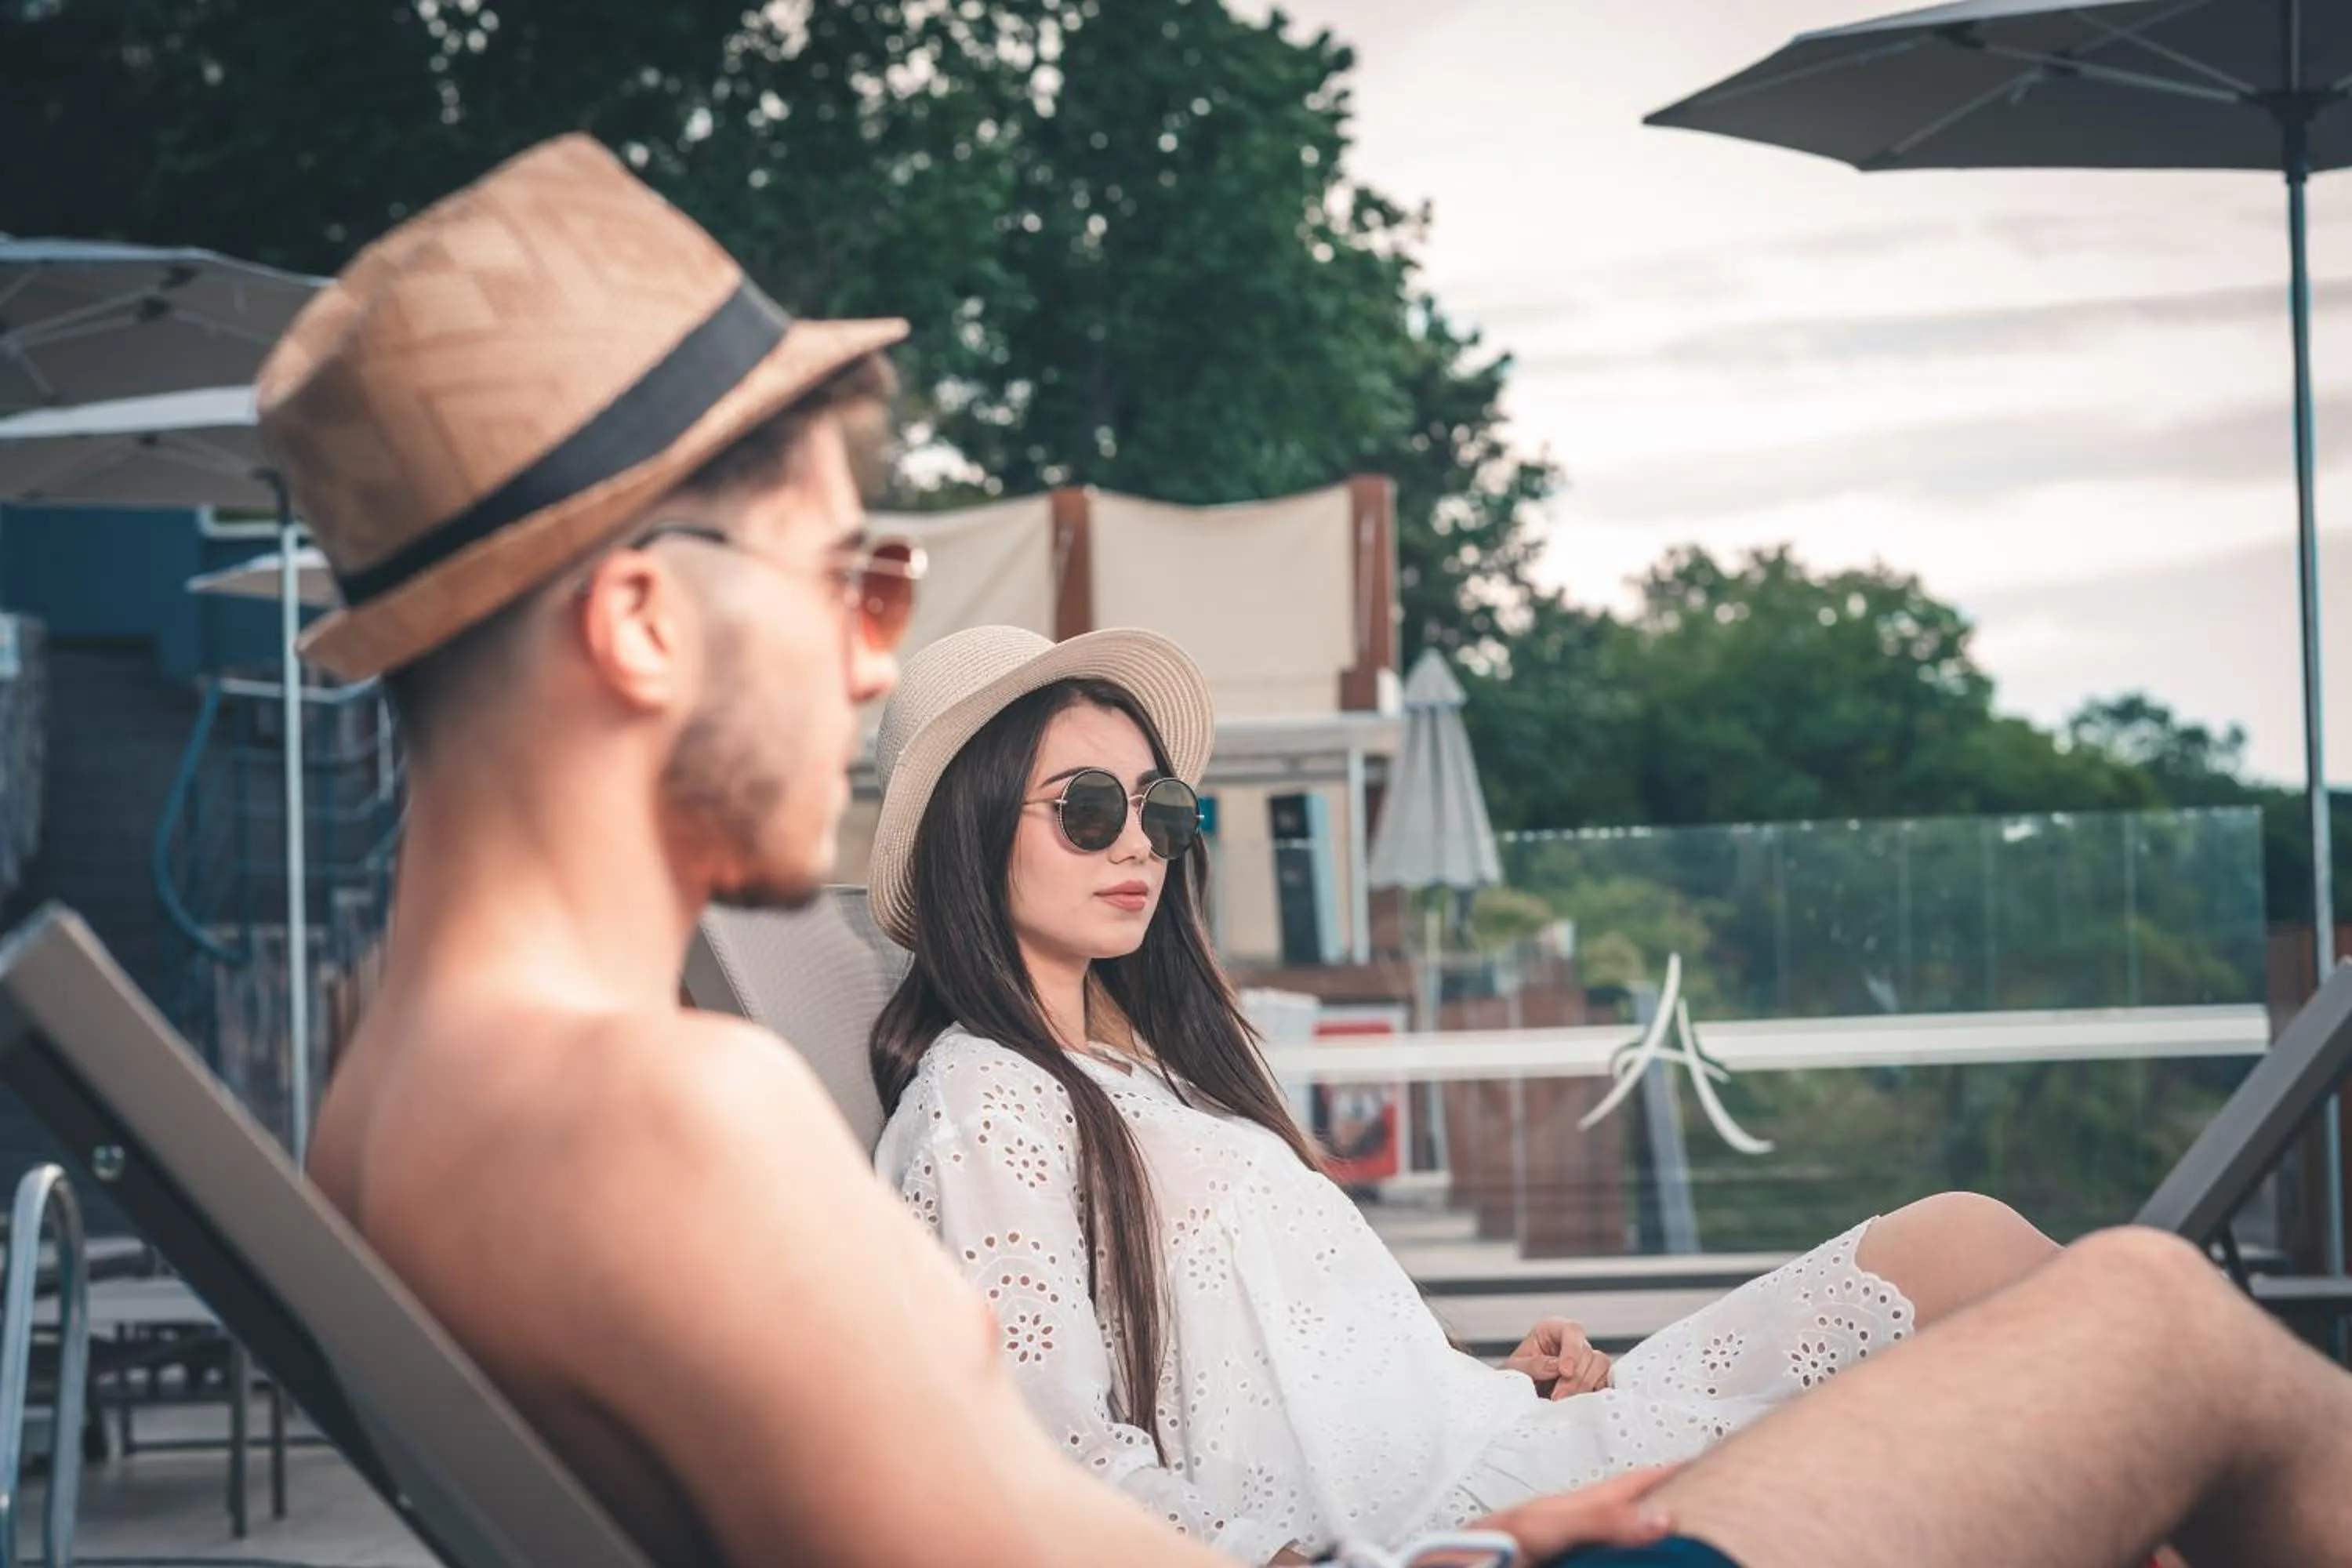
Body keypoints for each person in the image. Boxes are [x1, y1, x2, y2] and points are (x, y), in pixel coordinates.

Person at [265, 132, 2352, 1568]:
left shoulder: (407, 1094)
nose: (861, 663)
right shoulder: (656, 1112)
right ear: (640, 622)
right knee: (2157, 1321)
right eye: (850, 586)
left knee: (2052, 1318)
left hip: (1434, 1514)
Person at [866, 626, 2065, 1563]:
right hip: (1441, 1519)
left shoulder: (1157, 1076)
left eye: (1160, 809)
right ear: (972, 833)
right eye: (1086, 808)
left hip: (1496, 1432)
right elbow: (1051, 1453)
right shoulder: (986, 1095)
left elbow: (1289, 1352)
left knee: (1965, 1242)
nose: (1136, 842)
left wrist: (1493, 1366)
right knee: (2049, 1397)